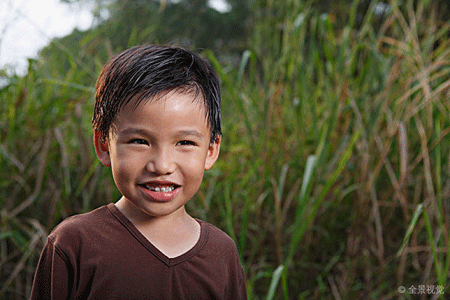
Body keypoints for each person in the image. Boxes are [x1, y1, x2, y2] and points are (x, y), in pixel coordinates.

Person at [30, 44, 247, 299]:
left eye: (185, 143)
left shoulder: (221, 252)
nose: (162, 165)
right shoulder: (73, 244)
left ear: (211, 150)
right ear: (103, 145)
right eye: (139, 142)